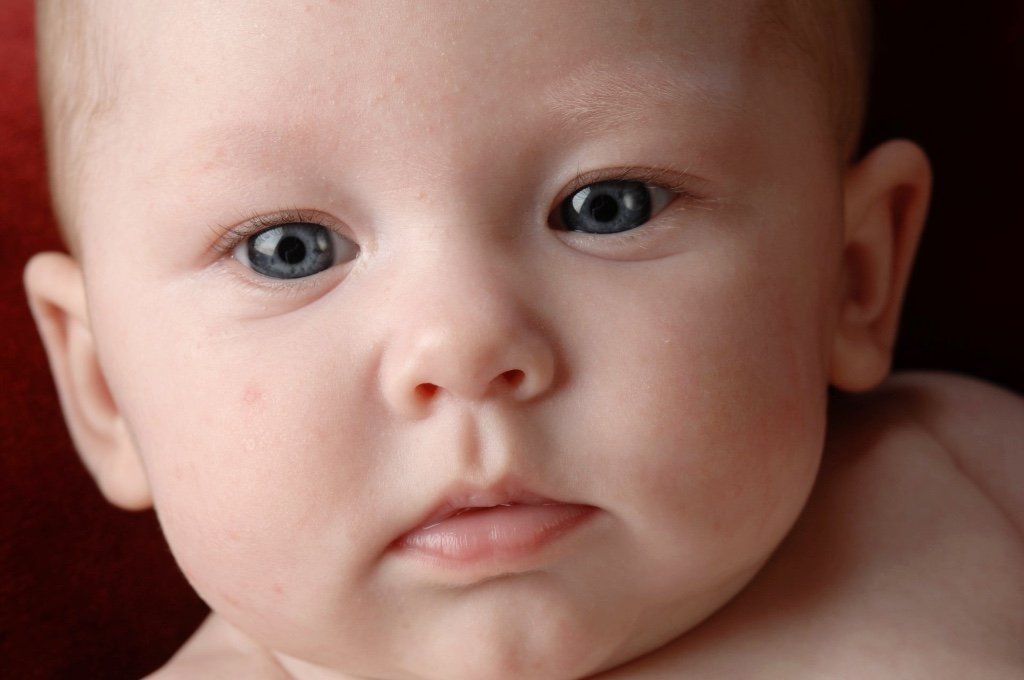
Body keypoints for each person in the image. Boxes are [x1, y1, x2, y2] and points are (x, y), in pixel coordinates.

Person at [22, 1, 1023, 678]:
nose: (463, 344)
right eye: (291, 250)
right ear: (104, 382)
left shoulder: (959, 473)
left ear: (850, 277)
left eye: (605, 206)